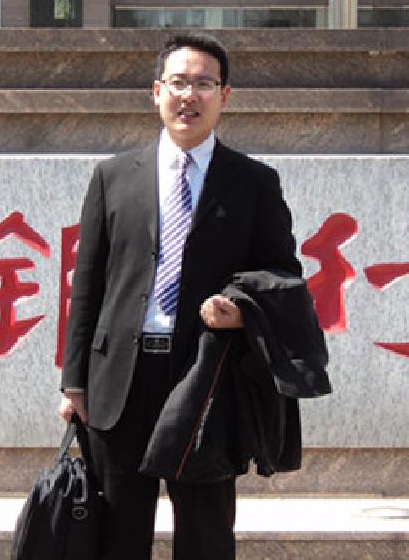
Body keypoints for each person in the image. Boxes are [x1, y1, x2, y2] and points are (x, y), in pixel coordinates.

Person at [59, 32, 304, 560]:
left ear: (225, 95)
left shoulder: (253, 183)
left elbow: (282, 276)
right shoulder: (113, 177)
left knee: (206, 533)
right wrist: (74, 382)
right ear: (156, 92)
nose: (189, 95)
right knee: (117, 534)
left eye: (204, 84)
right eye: (178, 83)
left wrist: (241, 311)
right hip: (119, 382)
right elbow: (88, 285)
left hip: (205, 379)